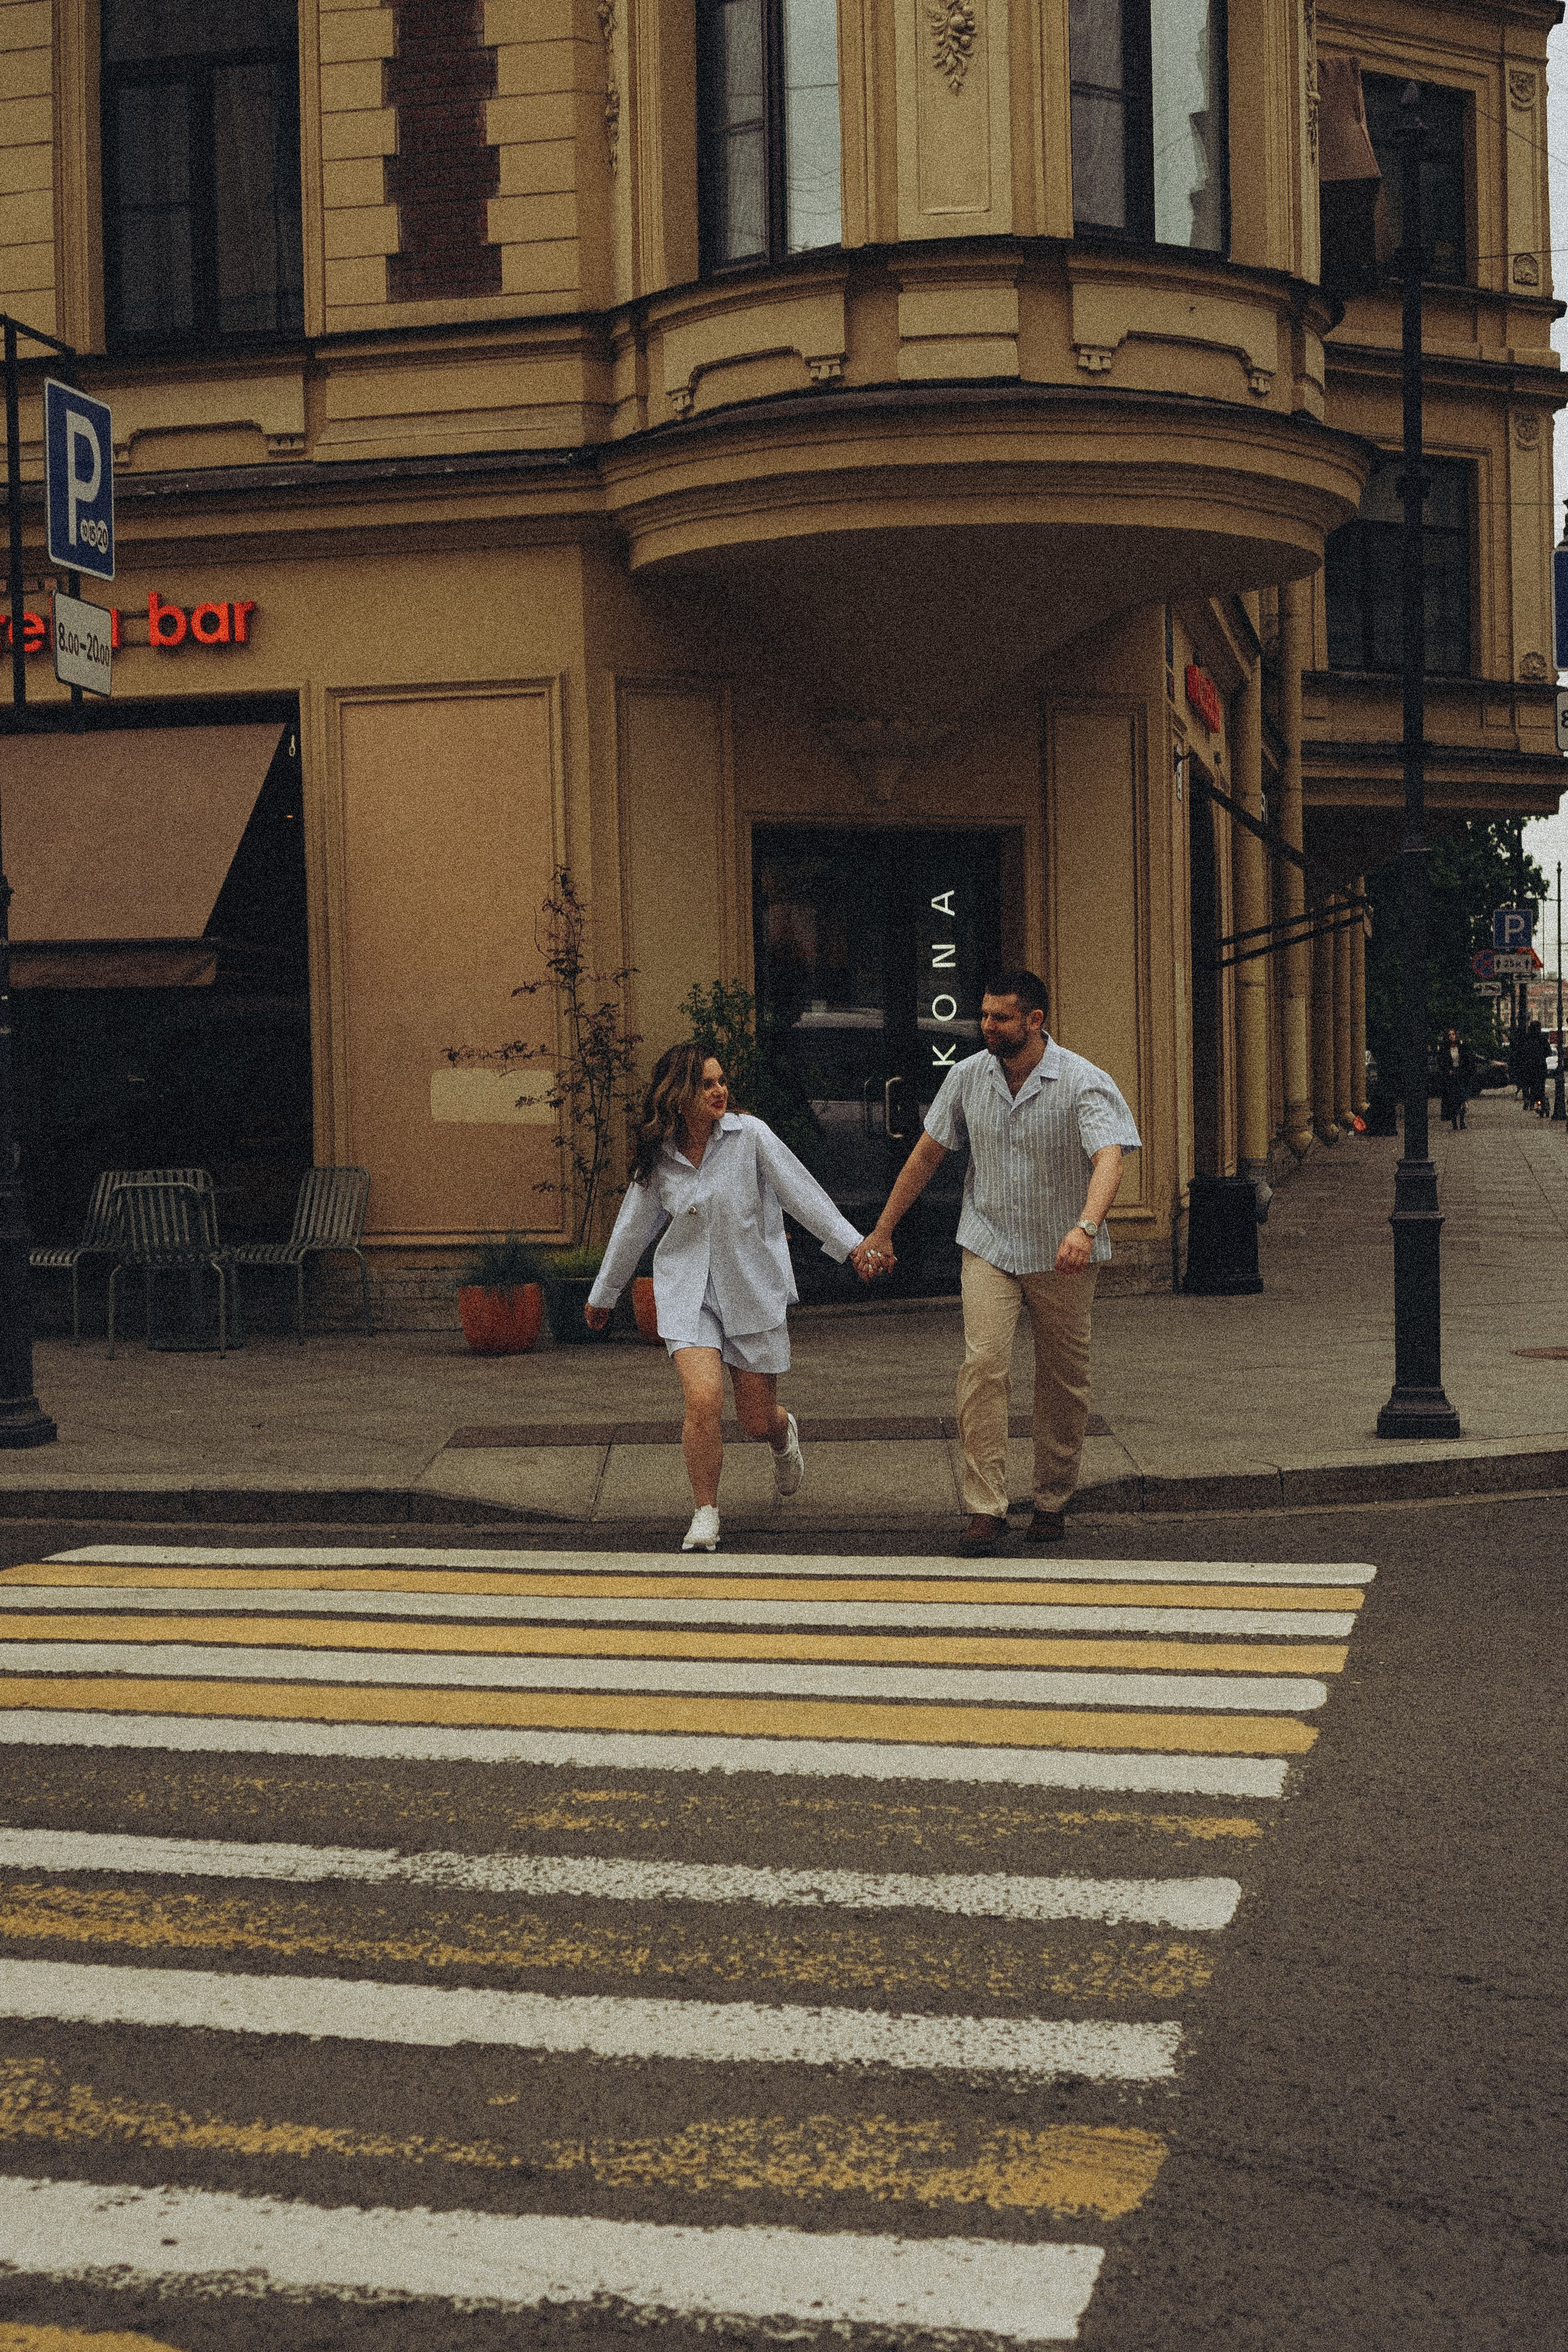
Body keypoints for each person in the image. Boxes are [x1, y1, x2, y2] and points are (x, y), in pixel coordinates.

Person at [862, 970, 1141, 1558]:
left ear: (1034, 1021)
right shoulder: (967, 1078)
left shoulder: (1083, 1081)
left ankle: (1052, 1499)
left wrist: (1086, 1228)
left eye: (1000, 1018)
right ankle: (985, 1506)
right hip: (989, 1245)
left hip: (1063, 1255)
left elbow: (1109, 1159)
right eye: (984, 1016)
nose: (987, 1027)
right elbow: (926, 1155)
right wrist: (883, 1231)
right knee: (984, 1365)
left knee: (1062, 1379)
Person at [585, 1041, 885, 1551]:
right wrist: (605, 1294)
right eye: (706, 1084)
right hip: (687, 1292)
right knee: (703, 1400)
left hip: (750, 1287)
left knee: (753, 1421)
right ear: (679, 1095)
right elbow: (632, 1227)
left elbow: (803, 1194)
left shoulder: (751, 1137)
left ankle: (782, 1429)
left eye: (721, 1081)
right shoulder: (661, 1155)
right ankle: (706, 1512)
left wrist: (854, 1247)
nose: (719, 1090)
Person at [1438, 1028, 1475, 1131]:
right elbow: (1442, 1063)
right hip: (1451, 1077)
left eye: (1453, 1034)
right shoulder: (1445, 1049)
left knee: (1462, 1099)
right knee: (1452, 1100)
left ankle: (1462, 1122)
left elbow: (1468, 1061)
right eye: (1450, 1035)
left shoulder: (1462, 1048)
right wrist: (1448, 1070)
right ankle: (1454, 1123)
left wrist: (1465, 1072)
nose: (1452, 1036)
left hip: (1461, 1075)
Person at [1522, 1020, 1550, 1117]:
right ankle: (1542, 1103)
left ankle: (1531, 1101)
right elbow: (1548, 1052)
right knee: (1541, 1086)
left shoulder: (1527, 1038)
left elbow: (1522, 1053)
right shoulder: (1543, 1038)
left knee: (1530, 1084)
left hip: (1529, 1066)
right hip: (1541, 1066)